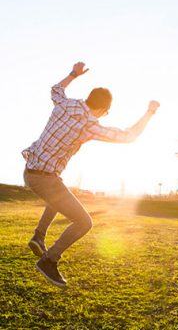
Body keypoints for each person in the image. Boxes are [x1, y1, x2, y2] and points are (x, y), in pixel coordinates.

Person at [23, 61, 160, 287]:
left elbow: (55, 89)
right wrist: (150, 112)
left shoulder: (66, 104)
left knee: (59, 194)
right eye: (105, 114)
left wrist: (73, 74)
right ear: (102, 110)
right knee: (84, 222)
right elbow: (128, 136)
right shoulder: (89, 124)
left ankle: (39, 235)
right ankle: (49, 260)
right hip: (44, 178)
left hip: (30, 172)